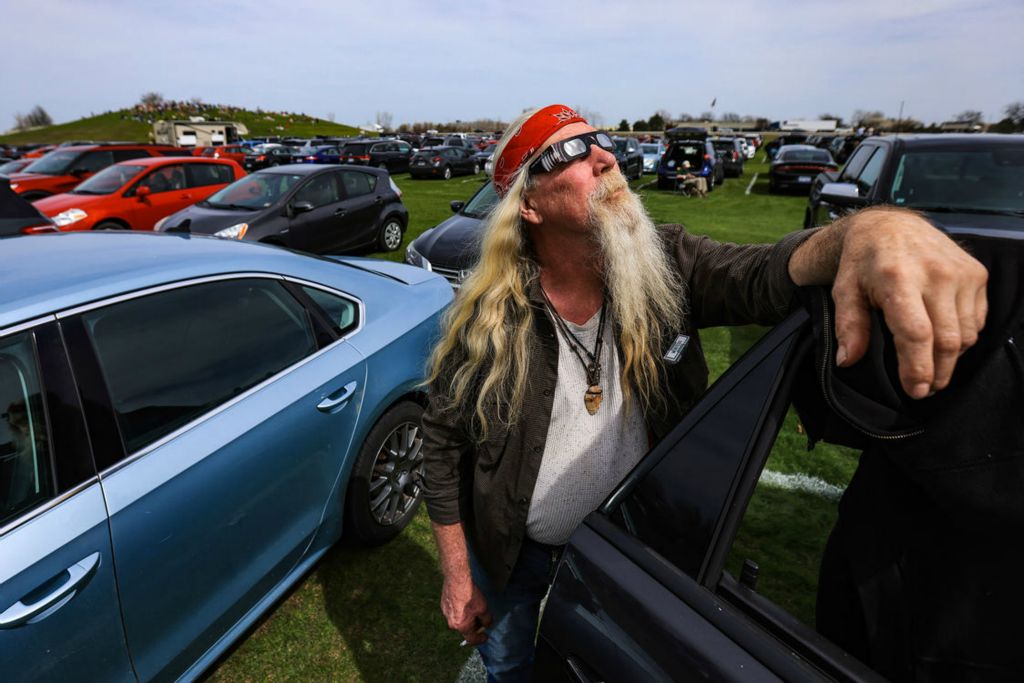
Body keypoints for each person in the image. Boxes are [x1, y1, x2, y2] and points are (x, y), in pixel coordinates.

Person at [420, 105, 988, 682]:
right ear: (530, 205)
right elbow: (440, 444)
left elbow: (766, 274)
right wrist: (459, 577)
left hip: (629, 546)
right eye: (571, 152)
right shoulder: (490, 320)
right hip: (515, 549)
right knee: (510, 663)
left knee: (611, 661)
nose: (606, 159)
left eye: (600, 141)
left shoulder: (666, 262)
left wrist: (871, 230)